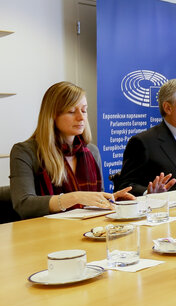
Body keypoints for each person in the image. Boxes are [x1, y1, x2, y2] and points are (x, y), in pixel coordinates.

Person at [9, 82, 132, 219]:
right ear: (52, 115)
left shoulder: (92, 151)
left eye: (84, 110)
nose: (81, 118)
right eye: (72, 111)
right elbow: (24, 205)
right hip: (44, 233)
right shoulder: (25, 152)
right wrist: (76, 197)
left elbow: (91, 199)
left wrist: (110, 200)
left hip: (86, 229)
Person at [117, 79, 176, 196]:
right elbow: (126, 186)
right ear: (168, 108)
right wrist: (148, 193)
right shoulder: (143, 142)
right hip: (174, 211)